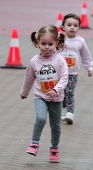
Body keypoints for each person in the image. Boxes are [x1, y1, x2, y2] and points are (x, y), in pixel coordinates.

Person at [20, 25, 68, 163]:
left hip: (56, 98)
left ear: (57, 44)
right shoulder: (34, 61)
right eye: (43, 44)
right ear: (37, 43)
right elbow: (28, 78)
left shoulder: (60, 60)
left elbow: (65, 78)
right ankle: (34, 144)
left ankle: (54, 148)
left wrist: (56, 90)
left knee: (56, 125)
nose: (47, 47)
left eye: (50, 44)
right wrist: (24, 92)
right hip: (40, 97)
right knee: (41, 118)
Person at [60, 13, 93, 124]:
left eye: (75, 25)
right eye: (69, 25)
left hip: (72, 73)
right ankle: (62, 110)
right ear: (63, 26)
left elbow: (86, 55)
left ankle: (70, 113)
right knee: (60, 92)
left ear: (79, 27)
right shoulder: (59, 39)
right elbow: (51, 53)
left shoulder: (80, 41)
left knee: (69, 92)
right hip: (58, 73)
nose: (72, 27)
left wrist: (89, 67)